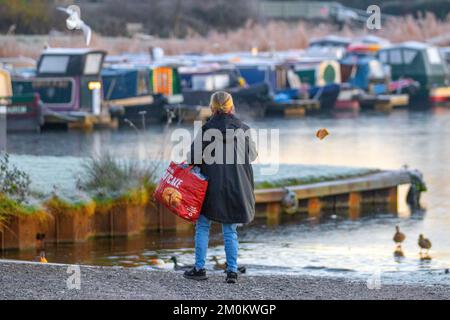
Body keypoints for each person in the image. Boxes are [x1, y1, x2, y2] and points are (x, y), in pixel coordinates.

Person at [184, 91, 257, 284]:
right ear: (231, 108)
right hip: (235, 186)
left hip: (209, 187)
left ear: (212, 108)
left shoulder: (206, 130)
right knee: (230, 230)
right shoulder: (244, 129)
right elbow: (253, 155)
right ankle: (232, 272)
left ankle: (200, 269)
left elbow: (192, 158)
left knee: (202, 226)